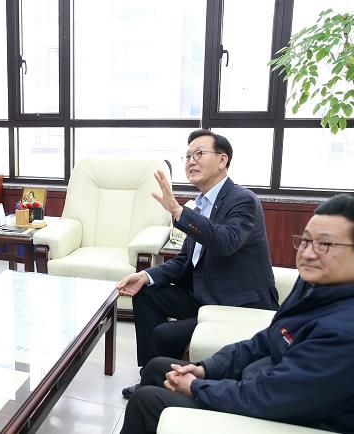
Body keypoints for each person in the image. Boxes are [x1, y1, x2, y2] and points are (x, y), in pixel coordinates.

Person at [121, 193, 354, 434]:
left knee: (146, 402)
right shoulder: (314, 286)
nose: (308, 253)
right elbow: (266, 340)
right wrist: (206, 369)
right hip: (259, 381)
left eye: (325, 244)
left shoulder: (343, 331)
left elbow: (276, 396)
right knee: (157, 367)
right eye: (305, 241)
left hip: (281, 412)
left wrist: (196, 387)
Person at [117, 129, 278, 398]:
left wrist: (178, 211)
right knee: (146, 293)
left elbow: (225, 241)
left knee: (164, 334)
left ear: (223, 160)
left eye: (199, 154)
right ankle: (151, 376)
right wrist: (146, 275)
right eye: (188, 156)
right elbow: (184, 262)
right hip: (205, 297)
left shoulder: (243, 200)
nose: (191, 161)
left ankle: (167, 380)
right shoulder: (200, 205)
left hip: (235, 306)